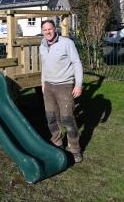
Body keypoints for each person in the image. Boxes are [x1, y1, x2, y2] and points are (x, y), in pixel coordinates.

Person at [40, 20, 84, 163]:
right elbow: (44, 66)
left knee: (67, 119)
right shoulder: (42, 45)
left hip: (64, 85)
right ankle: (57, 145)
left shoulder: (67, 43)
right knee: (51, 117)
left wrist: (78, 85)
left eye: (50, 29)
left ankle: (75, 150)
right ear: (42, 31)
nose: (48, 32)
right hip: (48, 86)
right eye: (45, 30)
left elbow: (77, 63)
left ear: (55, 29)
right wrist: (43, 83)